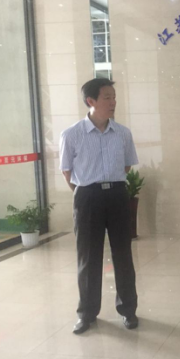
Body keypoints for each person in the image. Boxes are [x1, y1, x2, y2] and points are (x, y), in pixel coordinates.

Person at [60, 78, 139, 335]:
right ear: (91, 101)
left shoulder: (123, 133)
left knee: (123, 255)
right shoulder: (71, 134)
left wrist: (109, 185)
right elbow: (67, 171)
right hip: (88, 197)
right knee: (88, 257)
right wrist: (87, 192)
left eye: (114, 96)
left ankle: (128, 310)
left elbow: (127, 166)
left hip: (117, 195)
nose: (113, 101)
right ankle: (87, 314)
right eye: (107, 97)